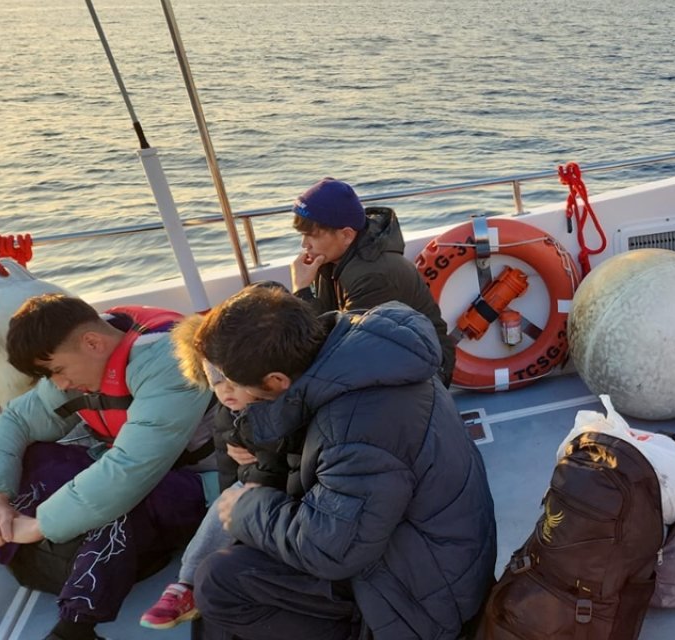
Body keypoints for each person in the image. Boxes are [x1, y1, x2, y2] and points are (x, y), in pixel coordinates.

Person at [186, 285, 497, 639]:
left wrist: (248, 509)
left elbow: (330, 550)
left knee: (220, 582)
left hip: (424, 601)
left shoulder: (358, 424)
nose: (231, 393)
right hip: (424, 556)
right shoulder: (361, 359)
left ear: (276, 380)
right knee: (233, 568)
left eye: (236, 384)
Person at [0, 294, 213, 640]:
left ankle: (77, 626)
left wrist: (41, 525)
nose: (57, 383)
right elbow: (17, 420)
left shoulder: (171, 363)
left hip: (201, 488)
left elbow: (131, 470)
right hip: (132, 471)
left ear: (92, 342)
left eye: (57, 371)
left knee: (119, 501)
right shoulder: (87, 357)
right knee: (30, 458)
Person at [139, 303, 301, 630]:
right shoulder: (227, 413)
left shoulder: (282, 406)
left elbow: (285, 460)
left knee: (236, 500)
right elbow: (229, 467)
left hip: (286, 492)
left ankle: (189, 583)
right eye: (213, 379)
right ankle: (191, 583)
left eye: (231, 378)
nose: (224, 389)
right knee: (226, 504)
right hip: (255, 491)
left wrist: (252, 478)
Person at [288, 177, 456, 385]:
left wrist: (302, 290)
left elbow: (341, 349)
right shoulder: (332, 258)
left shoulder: (373, 275)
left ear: (347, 235)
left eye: (311, 236)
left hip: (430, 365)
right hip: (388, 352)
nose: (305, 244)